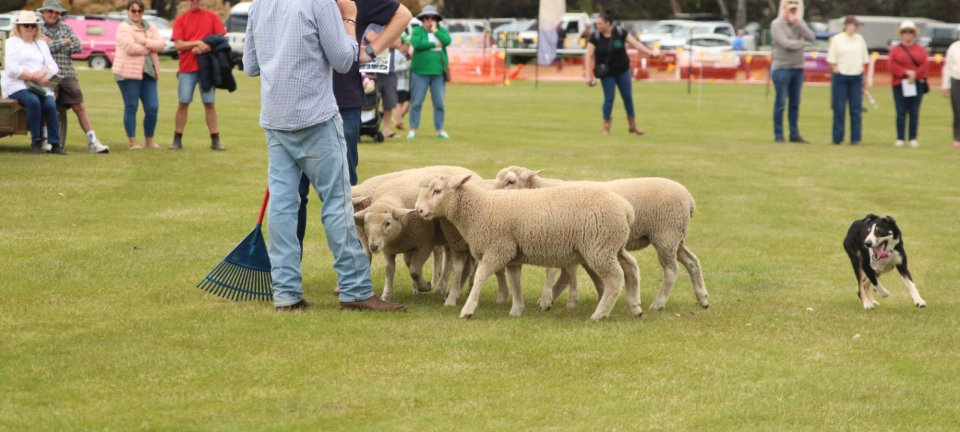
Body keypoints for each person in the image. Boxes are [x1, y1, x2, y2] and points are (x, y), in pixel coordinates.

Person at [244, 0, 405, 313]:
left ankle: (287, 294)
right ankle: (355, 289)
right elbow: (344, 60)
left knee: (283, 207)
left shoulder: (258, 5)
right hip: (315, 117)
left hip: (276, 120)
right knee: (336, 204)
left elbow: (251, 65)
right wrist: (349, 18)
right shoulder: (320, 2)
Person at [331, 0, 412, 184]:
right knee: (296, 191)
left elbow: (403, 15)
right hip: (304, 98)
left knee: (345, 186)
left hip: (344, 99)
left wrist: (370, 50)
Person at [38, 0, 109, 154]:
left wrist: (54, 43)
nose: (53, 15)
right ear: (44, 12)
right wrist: (64, 42)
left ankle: (93, 141)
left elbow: (78, 46)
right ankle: (45, 141)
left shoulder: (66, 27)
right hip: (46, 74)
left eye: (57, 12)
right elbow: (40, 47)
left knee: (80, 106)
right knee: (48, 106)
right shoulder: (36, 27)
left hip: (67, 73)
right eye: (50, 11)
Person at [584, 12, 659, 136]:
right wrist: (588, 75)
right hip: (607, 74)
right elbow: (588, 56)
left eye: (600, 23)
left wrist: (651, 53)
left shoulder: (620, 33)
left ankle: (632, 125)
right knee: (609, 99)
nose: (598, 26)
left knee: (628, 97)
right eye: (597, 24)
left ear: (608, 23)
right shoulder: (595, 37)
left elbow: (636, 44)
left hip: (622, 70)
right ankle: (606, 127)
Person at [2, 11, 62, 155]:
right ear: (19, 27)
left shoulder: (41, 44)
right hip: (17, 84)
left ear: (36, 27)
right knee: (33, 101)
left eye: (32, 25)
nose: (29, 28)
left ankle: (55, 143)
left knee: (50, 104)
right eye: (26, 25)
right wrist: (35, 77)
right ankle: (36, 141)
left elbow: (53, 66)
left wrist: (43, 73)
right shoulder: (11, 43)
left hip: (39, 85)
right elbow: (12, 69)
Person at [170, 0, 226, 151]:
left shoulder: (212, 17)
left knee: (209, 103)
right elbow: (178, 45)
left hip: (206, 68)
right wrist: (198, 43)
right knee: (183, 102)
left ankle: (215, 139)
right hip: (187, 67)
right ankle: (177, 138)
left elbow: (220, 39)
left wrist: (204, 48)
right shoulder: (181, 19)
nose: (195, 1)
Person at [113, 0, 164, 150]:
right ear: (128, 11)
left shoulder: (150, 26)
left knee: (152, 107)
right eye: (133, 11)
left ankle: (149, 141)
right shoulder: (123, 27)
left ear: (143, 12)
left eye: (139, 11)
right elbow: (130, 47)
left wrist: (143, 41)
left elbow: (161, 44)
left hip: (149, 72)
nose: (136, 14)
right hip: (128, 73)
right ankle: (133, 142)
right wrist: (149, 46)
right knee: (131, 106)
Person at [770, 0, 815, 144]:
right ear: (784, 9)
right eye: (790, 10)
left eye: (795, 10)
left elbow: (812, 37)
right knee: (781, 102)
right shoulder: (776, 24)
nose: (793, 12)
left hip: (797, 67)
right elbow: (785, 43)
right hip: (782, 67)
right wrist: (802, 44)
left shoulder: (798, 23)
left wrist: (799, 25)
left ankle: (794, 133)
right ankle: (779, 134)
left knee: (795, 102)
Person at [407, 5, 451, 140]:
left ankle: (440, 130)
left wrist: (436, 31)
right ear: (423, 19)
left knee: (439, 103)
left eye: (433, 18)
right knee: (416, 102)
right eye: (427, 17)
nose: (430, 20)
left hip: (438, 73)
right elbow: (416, 43)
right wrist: (433, 44)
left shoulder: (441, 31)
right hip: (419, 72)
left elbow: (447, 41)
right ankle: (413, 130)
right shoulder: (417, 31)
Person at [826, 15, 869, 145]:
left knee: (856, 108)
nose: (857, 28)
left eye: (858, 26)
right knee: (839, 108)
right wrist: (836, 69)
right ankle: (837, 137)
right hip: (841, 76)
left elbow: (864, 59)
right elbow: (831, 58)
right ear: (847, 25)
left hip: (856, 76)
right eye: (855, 25)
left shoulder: (860, 39)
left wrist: (863, 76)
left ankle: (856, 138)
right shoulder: (837, 39)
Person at [889, 21, 928, 148]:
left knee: (914, 111)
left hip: (916, 84)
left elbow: (924, 65)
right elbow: (891, 65)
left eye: (910, 32)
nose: (908, 34)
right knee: (900, 111)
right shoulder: (895, 49)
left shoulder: (920, 49)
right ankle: (900, 137)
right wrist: (905, 72)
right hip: (899, 83)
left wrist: (914, 74)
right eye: (905, 32)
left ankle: (913, 137)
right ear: (901, 34)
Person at [365, 28, 402, 138]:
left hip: (389, 70)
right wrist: (388, 39)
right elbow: (369, 37)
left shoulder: (392, 23)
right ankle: (365, 126)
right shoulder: (370, 23)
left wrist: (379, 41)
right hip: (371, 70)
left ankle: (387, 130)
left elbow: (398, 43)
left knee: (389, 101)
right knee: (368, 101)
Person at [943, 25, 960, 149]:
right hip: (956, 80)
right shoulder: (954, 47)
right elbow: (947, 67)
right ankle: (957, 137)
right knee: (957, 110)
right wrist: (945, 85)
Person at [392, 35, 411, 131]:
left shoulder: (405, 54)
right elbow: (395, 68)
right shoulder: (396, 54)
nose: (408, 47)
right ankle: (398, 122)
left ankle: (399, 116)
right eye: (407, 45)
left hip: (406, 83)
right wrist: (407, 64)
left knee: (412, 99)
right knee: (400, 103)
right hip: (400, 84)